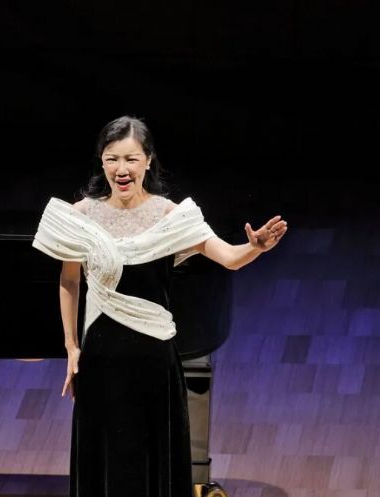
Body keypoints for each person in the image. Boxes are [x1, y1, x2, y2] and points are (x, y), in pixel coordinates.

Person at [32, 116, 287, 497]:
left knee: (151, 461)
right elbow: (69, 281)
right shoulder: (80, 216)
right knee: (104, 460)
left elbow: (230, 258)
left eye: (131, 159)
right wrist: (71, 346)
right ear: (101, 161)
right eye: (112, 159)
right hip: (100, 361)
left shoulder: (172, 216)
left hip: (153, 361)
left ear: (148, 160)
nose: (121, 170)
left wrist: (256, 247)